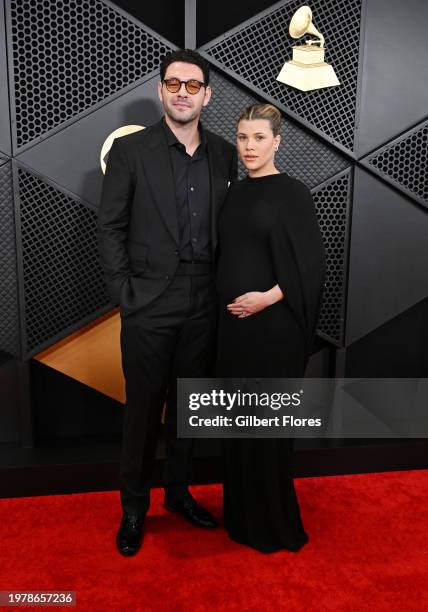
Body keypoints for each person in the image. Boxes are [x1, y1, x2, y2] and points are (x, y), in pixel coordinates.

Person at [98, 49, 237, 556]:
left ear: (207, 95)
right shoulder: (132, 152)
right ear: (160, 90)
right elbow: (110, 226)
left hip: (206, 299)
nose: (182, 92)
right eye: (173, 83)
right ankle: (133, 508)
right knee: (142, 411)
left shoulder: (224, 153)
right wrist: (123, 293)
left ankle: (178, 496)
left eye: (192, 85)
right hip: (150, 301)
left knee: (187, 411)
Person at [215, 103, 326, 553]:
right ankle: (241, 516)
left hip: (274, 331)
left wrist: (267, 297)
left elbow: (312, 268)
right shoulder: (233, 194)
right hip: (234, 334)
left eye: (258, 138)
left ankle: (273, 523)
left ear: (277, 142)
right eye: (242, 138)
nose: (248, 147)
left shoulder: (294, 194)